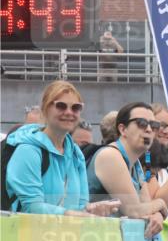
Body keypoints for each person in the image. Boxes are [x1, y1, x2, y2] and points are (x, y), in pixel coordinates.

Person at [5, 81, 118, 217]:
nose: (69, 112)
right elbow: (31, 207)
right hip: (26, 235)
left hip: (64, 236)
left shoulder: (76, 154)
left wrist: (92, 210)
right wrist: (68, 214)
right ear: (45, 109)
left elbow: (81, 206)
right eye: (61, 106)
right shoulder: (28, 151)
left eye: (76, 107)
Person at [88, 102, 168, 238]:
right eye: (141, 123)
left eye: (154, 125)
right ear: (122, 129)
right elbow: (133, 210)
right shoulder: (110, 155)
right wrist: (160, 204)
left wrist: (157, 214)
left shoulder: (136, 162)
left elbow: (145, 206)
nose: (149, 129)